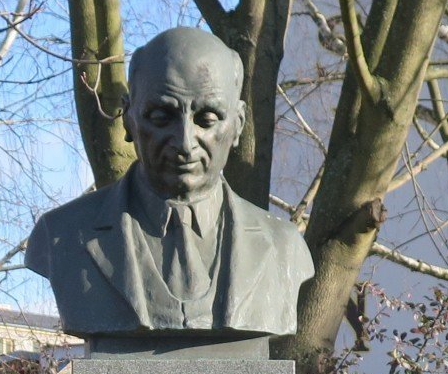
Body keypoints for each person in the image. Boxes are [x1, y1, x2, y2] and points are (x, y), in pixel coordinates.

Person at [25, 27, 314, 338]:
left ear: (238, 124)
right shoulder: (61, 237)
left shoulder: (284, 247)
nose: (185, 142)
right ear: (129, 119)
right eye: (162, 117)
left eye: (207, 119)